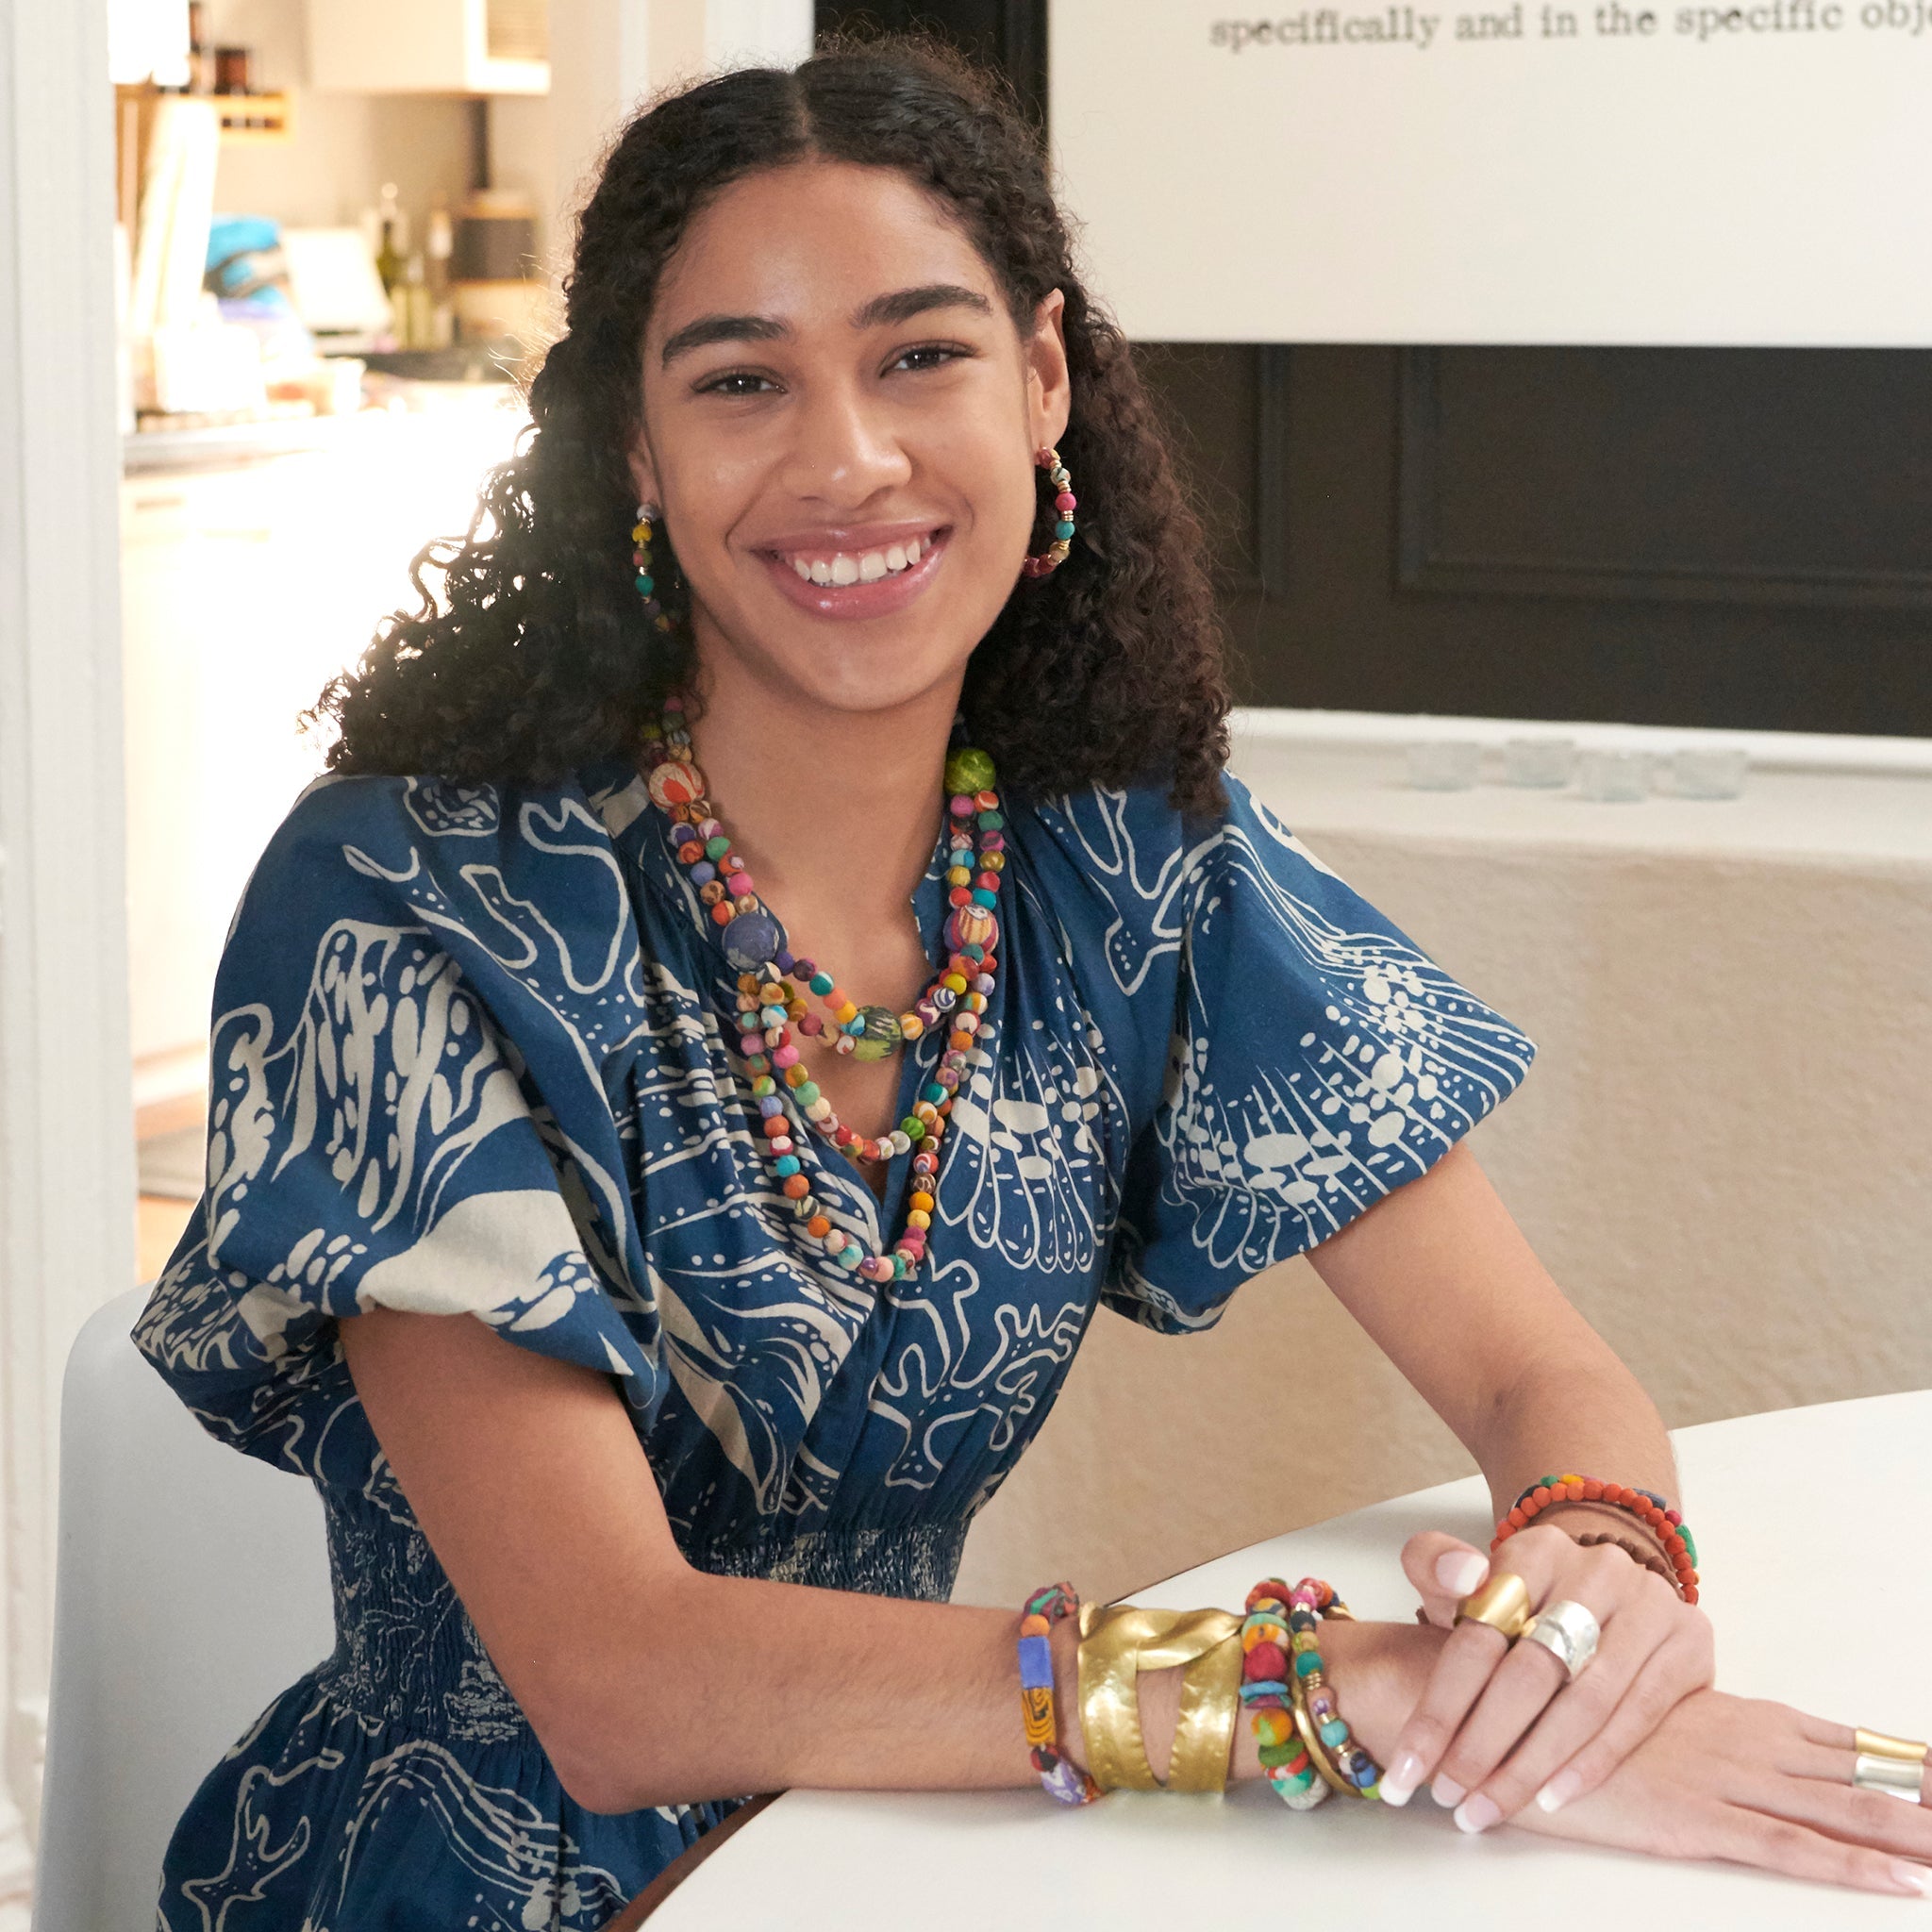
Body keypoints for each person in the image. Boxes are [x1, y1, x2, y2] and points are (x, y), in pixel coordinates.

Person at [136, 36, 1931, 1931]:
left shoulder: (1118, 856)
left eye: (921, 352)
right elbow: (620, 1679)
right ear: (636, 452)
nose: (846, 456)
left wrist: (1586, 1597)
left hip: (915, 1854)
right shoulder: (401, 900)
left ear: (1046, 379)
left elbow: (1528, 1365)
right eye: (741, 380)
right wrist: (1334, 1688)